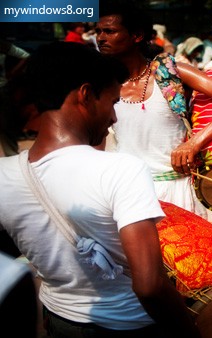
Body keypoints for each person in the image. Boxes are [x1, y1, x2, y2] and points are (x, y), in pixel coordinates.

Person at [0, 41, 200, 337]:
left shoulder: (5, 173)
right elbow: (150, 286)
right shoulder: (121, 170)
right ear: (86, 95)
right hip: (132, 324)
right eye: (112, 102)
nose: (114, 118)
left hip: (59, 320)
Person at [97, 0, 212, 219]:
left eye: (109, 31)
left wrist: (194, 142)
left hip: (177, 190)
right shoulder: (101, 84)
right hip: (128, 193)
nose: (100, 38)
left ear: (137, 36)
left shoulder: (171, 72)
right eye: (99, 31)